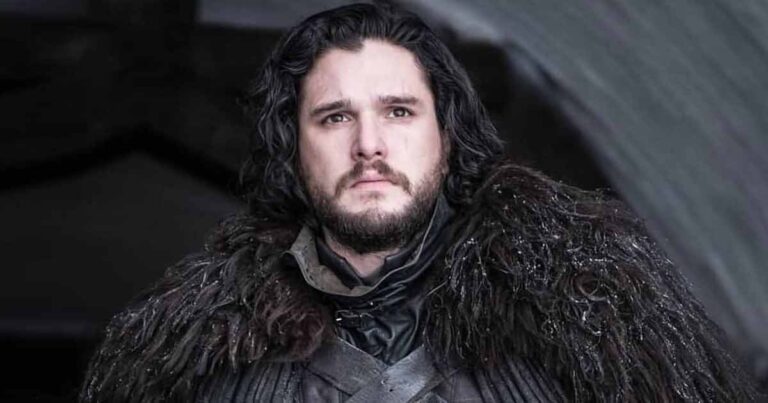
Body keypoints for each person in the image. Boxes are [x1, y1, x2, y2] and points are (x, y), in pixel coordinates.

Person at [80, 3, 757, 402]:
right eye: (335, 117)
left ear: (447, 135)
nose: (369, 145)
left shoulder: (594, 339)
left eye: (399, 111)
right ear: (293, 148)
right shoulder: (202, 369)